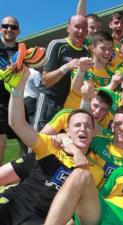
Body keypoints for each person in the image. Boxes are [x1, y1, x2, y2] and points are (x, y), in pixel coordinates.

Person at [1, 66, 103, 225]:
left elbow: (80, 212)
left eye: (88, 126)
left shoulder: (94, 171)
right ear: (68, 131)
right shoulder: (50, 145)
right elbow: (18, 124)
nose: (83, 128)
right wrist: (18, 89)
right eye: (77, 125)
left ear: (93, 133)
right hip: (13, 203)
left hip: (41, 219)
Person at [35, 15, 90, 131]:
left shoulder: (87, 52)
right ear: (68, 28)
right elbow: (45, 81)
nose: (81, 31)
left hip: (71, 105)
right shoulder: (57, 45)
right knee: (39, 141)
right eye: (77, 27)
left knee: (63, 144)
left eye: (84, 28)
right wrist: (66, 67)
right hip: (50, 101)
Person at [0, 16, 21, 164]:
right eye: (6, 26)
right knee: (0, 144)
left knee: (26, 141)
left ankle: (26, 177)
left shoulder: (23, 50)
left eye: (13, 27)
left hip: (19, 101)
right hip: (0, 102)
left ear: (18, 31)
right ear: (1, 29)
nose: (9, 29)